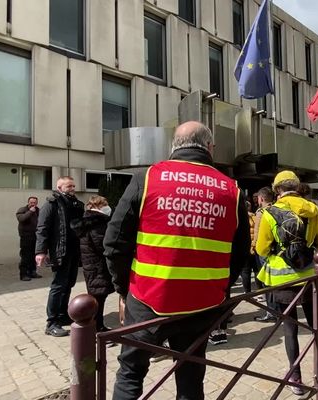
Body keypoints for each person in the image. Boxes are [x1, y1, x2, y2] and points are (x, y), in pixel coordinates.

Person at [104, 121, 250, 400]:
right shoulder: (232, 190)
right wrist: (219, 288)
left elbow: (114, 243)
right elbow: (241, 252)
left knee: (131, 372)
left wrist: (124, 290)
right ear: (210, 148)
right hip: (203, 304)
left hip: (148, 298)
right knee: (191, 376)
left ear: (174, 146)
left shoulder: (147, 178)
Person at [256, 170, 318, 395]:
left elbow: (262, 248)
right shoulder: (314, 210)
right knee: (317, 327)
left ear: (277, 190)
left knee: (290, 328)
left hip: (282, 280)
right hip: (310, 276)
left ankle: (296, 378)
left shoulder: (270, 212)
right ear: (297, 187)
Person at [35, 176, 85, 337]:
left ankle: (63, 316)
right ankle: (51, 323)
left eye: (73, 186)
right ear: (59, 187)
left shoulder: (75, 203)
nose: (72, 188)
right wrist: (40, 252)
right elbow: (42, 228)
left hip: (73, 251)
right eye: (69, 186)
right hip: (60, 251)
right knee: (58, 286)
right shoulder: (52, 204)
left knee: (68, 284)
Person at [71, 195, 114, 332]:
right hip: (98, 266)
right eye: (104, 205)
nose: (107, 207)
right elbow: (102, 246)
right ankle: (96, 328)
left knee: (96, 296)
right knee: (98, 298)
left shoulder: (87, 221)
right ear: (98, 207)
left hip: (91, 265)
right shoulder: (97, 223)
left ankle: (97, 326)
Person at [252, 186, 277, 323]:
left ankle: (270, 312)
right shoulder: (277, 208)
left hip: (264, 251)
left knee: (266, 282)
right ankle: (279, 309)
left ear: (261, 198)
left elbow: (257, 233)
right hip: (276, 250)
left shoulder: (260, 212)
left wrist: (253, 246)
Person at [16, 196, 41, 281]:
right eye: (31, 202)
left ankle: (32, 272)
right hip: (25, 237)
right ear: (28, 202)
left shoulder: (38, 211)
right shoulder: (22, 210)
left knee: (34, 256)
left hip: (36, 237)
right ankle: (23, 274)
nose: (33, 204)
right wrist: (30, 212)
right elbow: (21, 219)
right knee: (25, 256)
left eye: (34, 203)